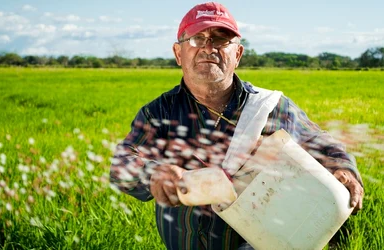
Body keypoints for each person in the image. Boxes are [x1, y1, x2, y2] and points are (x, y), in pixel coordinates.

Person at [110, 2, 364, 249]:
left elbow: (321, 143)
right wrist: (153, 174)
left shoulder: (269, 107)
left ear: (238, 54)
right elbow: (122, 164)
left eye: (221, 39)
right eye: (197, 38)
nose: (209, 48)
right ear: (179, 53)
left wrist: (343, 168)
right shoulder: (159, 112)